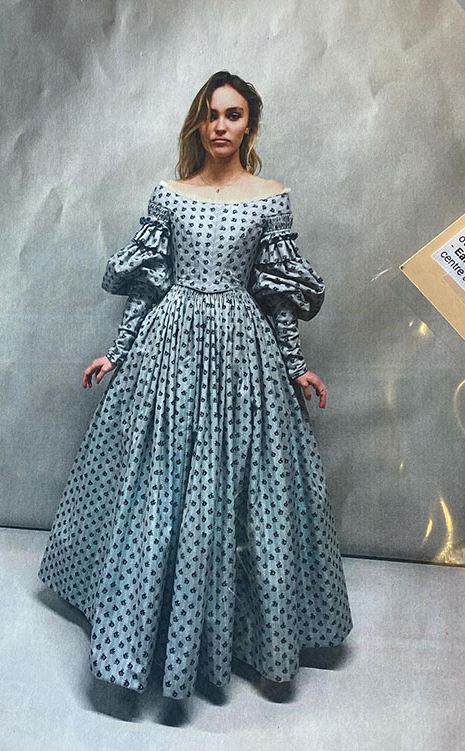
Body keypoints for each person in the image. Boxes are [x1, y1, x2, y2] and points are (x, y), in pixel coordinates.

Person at [38, 70, 353, 702]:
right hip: (170, 350)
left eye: (233, 115)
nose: (220, 126)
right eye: (211, 114)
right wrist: (117, 352)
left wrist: (294, 364)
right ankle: (139, 642)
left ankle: (266, 646)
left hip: (243, 356)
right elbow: (147, 285)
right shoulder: (170, 196)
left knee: (252, 497)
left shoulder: (270, 198)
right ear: (197, 122)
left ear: (249, 125)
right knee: (159, 490)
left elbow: (278, 296)